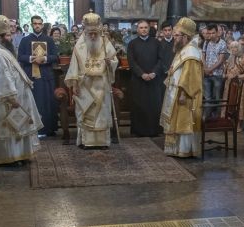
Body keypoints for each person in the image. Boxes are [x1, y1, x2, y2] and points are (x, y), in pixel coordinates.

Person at [0, 15, 43, 162]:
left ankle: (18, 155)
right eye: (8, 35)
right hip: (8, 99)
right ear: (0, 38)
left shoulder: (0, 52)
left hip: (15, 97)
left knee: (17, 127)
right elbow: (2, 77)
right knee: (10, 127)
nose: (11, 38)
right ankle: (11, 157)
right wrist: (10, 96)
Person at [65, 13, 119, 148]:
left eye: (95, 33)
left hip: (102, 85)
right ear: (86, 31)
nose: (93, 36)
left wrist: (109, 63)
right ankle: (85, 141)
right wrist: (75, 85)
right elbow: (74, 67)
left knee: (102, 113)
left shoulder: (105, 42)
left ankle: (103, 142)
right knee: (85, 112)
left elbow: (114, 61)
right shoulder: (79, 46)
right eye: (91, 34)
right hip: (85, 85)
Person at [161, 17, 203, 157]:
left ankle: (184, 150)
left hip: (186, 95)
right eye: (174, 34)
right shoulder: (183, 49)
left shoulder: (191, 52)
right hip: (176, 92)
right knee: (176, 119)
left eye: (176, 35)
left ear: (185, 36)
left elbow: (190, 76)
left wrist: (184, 93)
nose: (174, 37)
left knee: (184, 121)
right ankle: (175, 148)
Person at [17, 16, 58, 137]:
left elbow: (55, 56)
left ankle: (48, 128)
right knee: (33, 102)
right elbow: (20, 57)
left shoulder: (49, 40)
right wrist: (32, 58)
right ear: (31, 25)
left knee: (47, 102)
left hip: (46, 76)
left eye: (39, 24)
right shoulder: (25, 40)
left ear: (42, 25)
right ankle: (33, 129)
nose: (37, 26)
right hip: (31, 76)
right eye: (35, 24)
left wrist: (44, 58)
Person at [127, 20, 164, 137]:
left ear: (149, 29)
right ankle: (139, 131)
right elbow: (131, 62)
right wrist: (141, 74)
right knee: (139, 105)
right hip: (139, 80)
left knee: (154, 105)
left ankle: (154, 130)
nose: (143, 29)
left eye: (146, 27)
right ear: (137, 30)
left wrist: (154, 73)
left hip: (154, 80)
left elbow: (161, 60)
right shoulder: (132, 44)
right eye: (141, 28)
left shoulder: (156, 43)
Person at [201, 24, 228, 119]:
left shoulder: (222, 43)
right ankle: (206, 118)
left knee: (217, 97)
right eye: (209, 33)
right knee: (207, 97)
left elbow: (220, 60)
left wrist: (210, 69)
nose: (211, 35)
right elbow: (203, 56)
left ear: (217, 32)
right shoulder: (206, 42)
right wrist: (205, 68)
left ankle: (216, 117)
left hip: (217, 74)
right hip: (207, 74)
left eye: (213, 33)